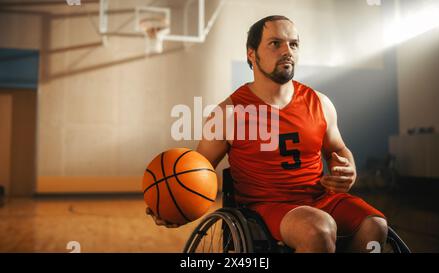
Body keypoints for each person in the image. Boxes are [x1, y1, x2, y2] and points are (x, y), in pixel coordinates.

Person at [148, 15, 387, 253]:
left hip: (319, 199)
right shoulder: (228, 113)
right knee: (318, 228)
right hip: (264, 208)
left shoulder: (320, 103)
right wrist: (176, 207)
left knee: (374, 225)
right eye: (275, 43)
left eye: (293, 44)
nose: (287, 51)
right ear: (251, 54)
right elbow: (198, 173)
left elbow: (338, 149)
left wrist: (348, 169)